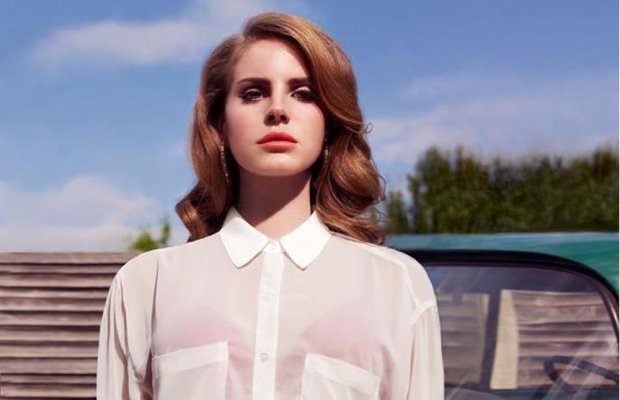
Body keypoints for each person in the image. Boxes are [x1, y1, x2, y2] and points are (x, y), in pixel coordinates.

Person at [96, 11, 443, 400]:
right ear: (221, 123)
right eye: (253, 93)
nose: (278, 109)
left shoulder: (398, 286)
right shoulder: (147, 284)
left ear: (329, 122)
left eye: (304, 93)